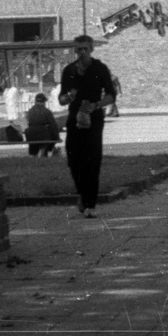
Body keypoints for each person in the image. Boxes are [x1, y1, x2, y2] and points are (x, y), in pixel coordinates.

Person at [59, 35, 116, 218]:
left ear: (91, 49)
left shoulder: (100, 69)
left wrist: (96, 105)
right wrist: (68, 97)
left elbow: (111, 95)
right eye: (78, 49)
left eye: (85, 49)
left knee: (92, 160)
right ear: (74, 50)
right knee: (73, 158)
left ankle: (90, 204)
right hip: (75, 118)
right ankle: (83, 194)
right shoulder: (69, 71)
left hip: (94, 118)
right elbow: (61, 98)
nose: (81, 52)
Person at [24, 93, 61, 157]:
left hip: (30, 136)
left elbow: (28, 123)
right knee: (47, 135)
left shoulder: (30, 111)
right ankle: (44, 153)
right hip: (43, 136)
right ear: (44, 102)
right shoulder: (47, 111)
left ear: (35, 101)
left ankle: (34, 155)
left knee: (35, 134)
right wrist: (56, 138)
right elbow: (53, 125)